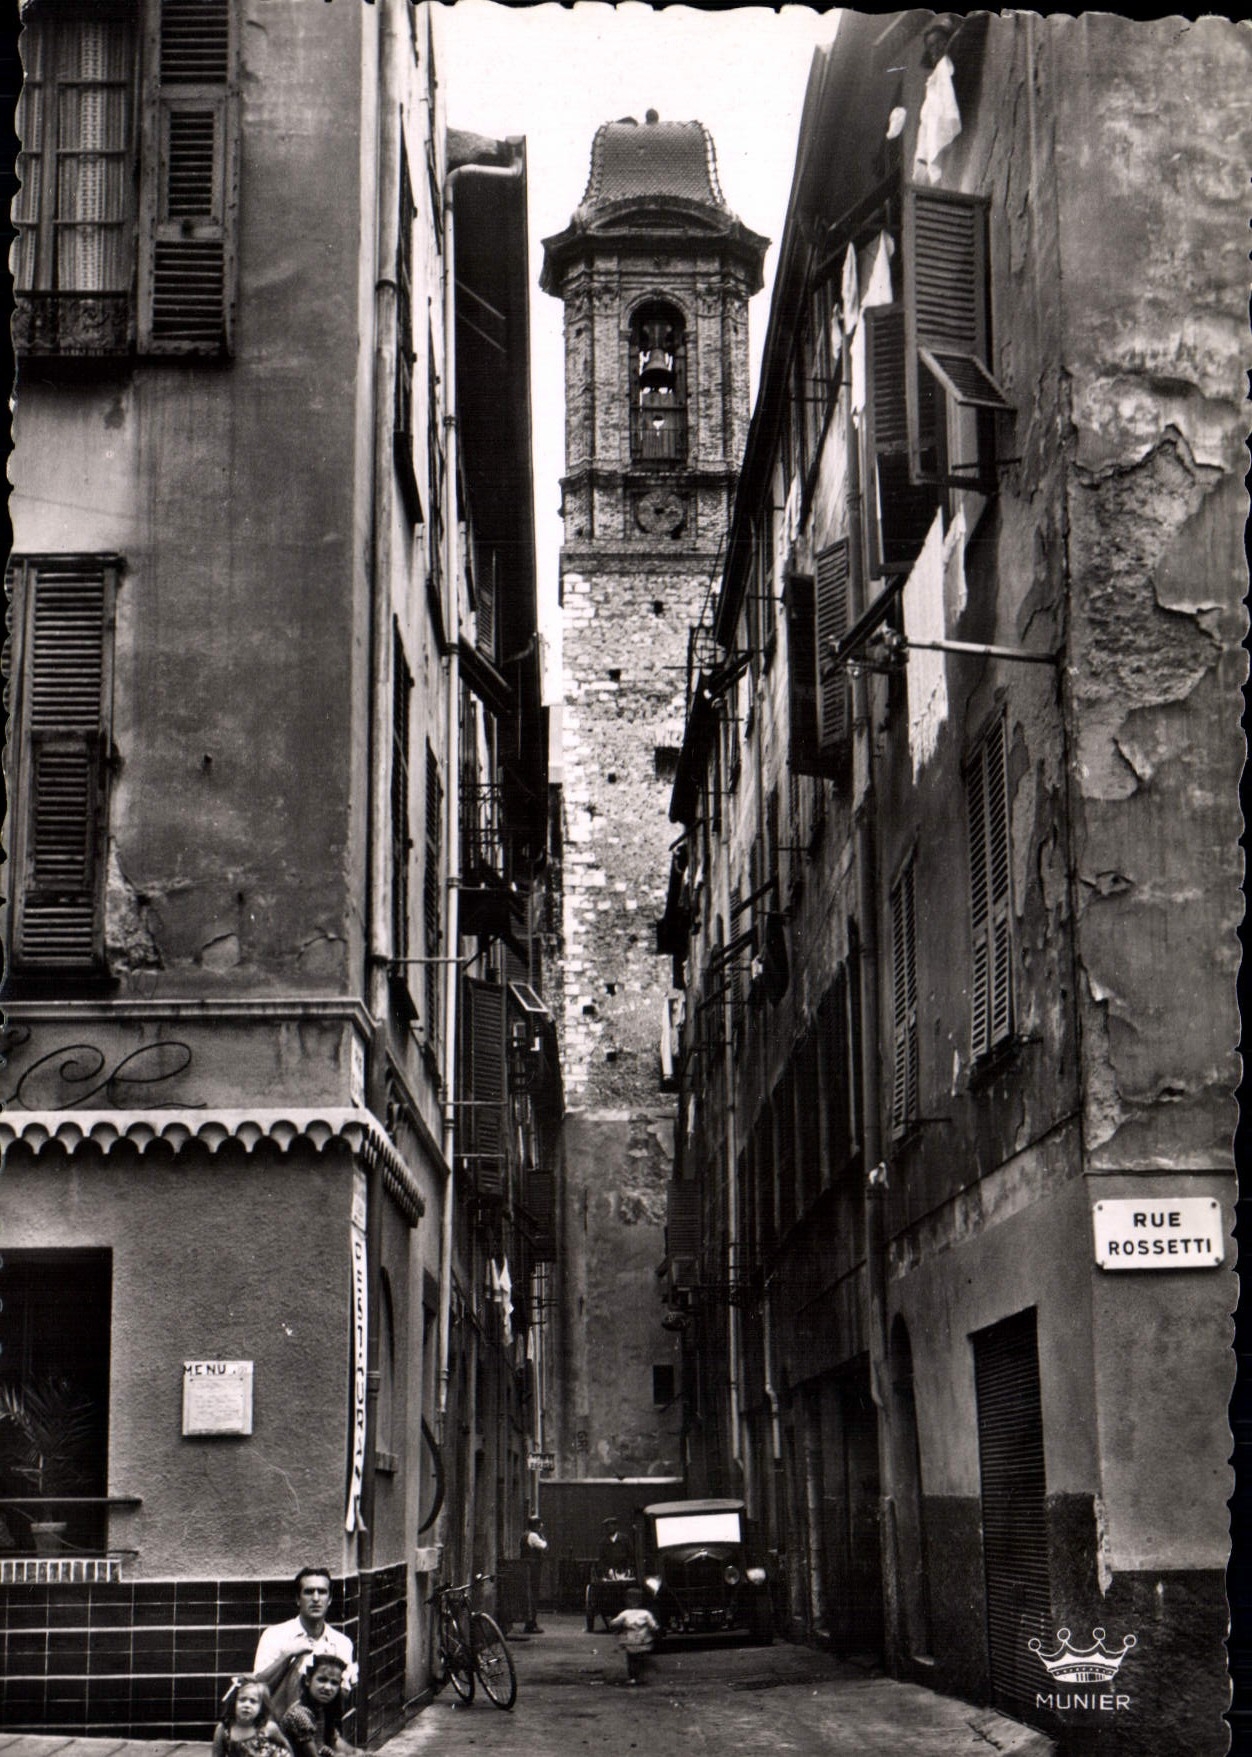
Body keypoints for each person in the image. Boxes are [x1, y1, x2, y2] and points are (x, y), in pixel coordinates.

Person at [253, 1568, 356, 1718]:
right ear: (298, 1599)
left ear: (329, 1599)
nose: (316, 1598)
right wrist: (287, 1655)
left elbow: (342, 1700)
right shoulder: (275, 1635)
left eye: (322, 1592)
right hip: (278, 1722)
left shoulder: (342, 1643)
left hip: (321, 1724)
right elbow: (256, 1689)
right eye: (309, 1592)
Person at [280, 1651, 357, 1757]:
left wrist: (359, 1753)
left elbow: (337, 1742)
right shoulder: (299, 1715)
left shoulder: (322, 1709)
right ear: (308, 1680)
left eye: (334, 1683)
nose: (328, 1687)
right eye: (322, 1680)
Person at [212, 1677, 293, 1757]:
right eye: (242, 1700)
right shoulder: (224, 1729)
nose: (247, 1705)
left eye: (253, 1701)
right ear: (233, 1703)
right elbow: (217, 1754)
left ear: (261, 1707)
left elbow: (286, 1747)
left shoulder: (268, 1728)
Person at [608, 1586, 660, 1685]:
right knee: (641, 1659)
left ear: (627, 1600)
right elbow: (653, 1626)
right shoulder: (646, 1613)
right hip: (643, 1641)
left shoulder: (625, 1613)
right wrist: (655, 1631)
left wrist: (615, 1626)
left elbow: (614, 1623)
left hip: (630, 1641)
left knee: (631, 1660)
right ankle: (642, 1676)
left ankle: (633, 1677)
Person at [520, 1513, 548, 1633]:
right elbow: (543, 1546)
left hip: (527, 1567)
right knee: (533, 1595)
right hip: (533, 1568)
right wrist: (543, 1537)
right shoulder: (533, 1536)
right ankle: (531, 1624)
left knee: (530, 1595)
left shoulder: (525, 1535)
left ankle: (531, 1622)